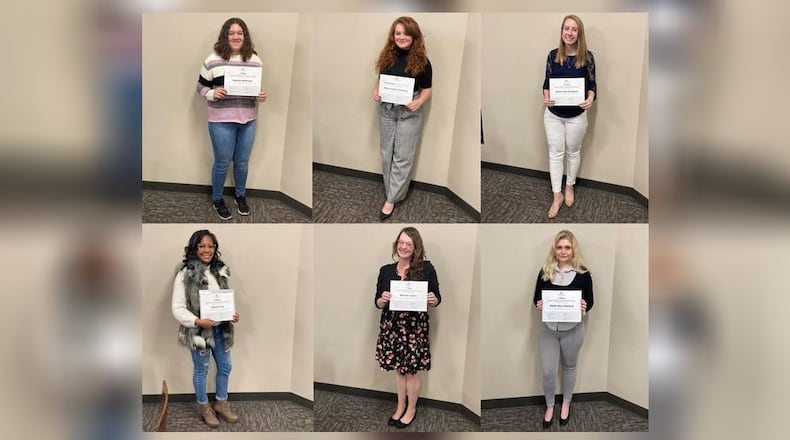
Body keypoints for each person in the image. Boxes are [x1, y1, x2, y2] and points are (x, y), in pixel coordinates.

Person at [196, 17, 268, 220]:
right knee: (222, 163)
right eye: (231, 33)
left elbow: (253, 89)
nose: (236, 36)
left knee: (242, 163)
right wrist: (211, 94)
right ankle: (217, 199)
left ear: (245, 36)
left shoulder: (254, 60)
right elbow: (200, 86)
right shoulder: (212, 60)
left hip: (248, 120)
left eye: (240, 33)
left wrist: (259, 95)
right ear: (225, 36)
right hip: (221, 121)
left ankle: (240, 196)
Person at [171, 230, 240, 428]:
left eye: (211, 246)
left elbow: (223, 299)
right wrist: (198, 322)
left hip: (221, 330)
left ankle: (221, 403)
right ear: (194, 248)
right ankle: (204, 408)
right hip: (199, 332)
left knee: (226, 366)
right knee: (202, 369)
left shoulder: (220, 270)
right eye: (202, 246)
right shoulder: (186, 274)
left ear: (215, 248)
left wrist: (232, 313)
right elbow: (177, 308)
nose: (207, 250)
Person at [374, 227, 441, 428]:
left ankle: (411, 409)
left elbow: (437, 298)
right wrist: (382, 299)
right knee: (398, 370)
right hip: (391, 327)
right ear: (396, 244)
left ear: (415, 247)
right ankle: (400, 405)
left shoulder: (426, 269)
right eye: (401, 242)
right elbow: (376, 302)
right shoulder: (385, 270)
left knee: (411, 371)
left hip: (414, 328)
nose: (403, 247)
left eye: (408, 244)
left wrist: (433, 299)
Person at [372, 17, 433, 221]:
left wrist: (420, 102)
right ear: (393, 36)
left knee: (403, 156)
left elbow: (427, 89)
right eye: (398, 33)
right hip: (387, 109)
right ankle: (392, 192)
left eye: (406, 33)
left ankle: (391, 200)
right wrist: (376, 91)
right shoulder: (386, 57)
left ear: (413, 36)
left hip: (409, 110)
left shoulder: (423, 61)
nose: (401, 37)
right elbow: (381, 80)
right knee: (386, 152)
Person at [533, 230, 594, 429]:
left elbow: (590, 302)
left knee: (570, 367)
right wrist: (539, 305)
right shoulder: (545, 272)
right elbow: (536, 299)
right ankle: (550, 406)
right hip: (548, 330)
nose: (563, 251)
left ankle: (566, 403)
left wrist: (584, 306)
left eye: (567, 247)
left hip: (573, 330)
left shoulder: (584, 274)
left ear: (573, 249)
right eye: (559, 247)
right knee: (548, 371)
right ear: (554, 249)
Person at [542, 15, 597, 219]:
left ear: (579, 33)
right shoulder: (553, 55)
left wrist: (590, 98)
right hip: (553, 115)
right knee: (555, 153)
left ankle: (570, 186)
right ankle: (556, 195)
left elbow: (592, 84)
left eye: (574, 29)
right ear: (562, 31)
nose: (570, 33)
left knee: (573, 152)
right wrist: (546, 98)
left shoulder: (588, 57)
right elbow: (547, 83)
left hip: (577, 116)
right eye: (567, 28)